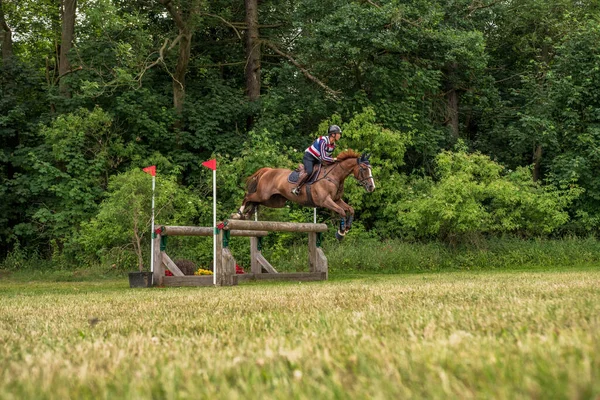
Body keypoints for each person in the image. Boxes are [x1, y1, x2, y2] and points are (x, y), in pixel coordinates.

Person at [291, 124, 342, 195]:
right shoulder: (323, 141)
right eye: (338, 134)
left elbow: (329, 157)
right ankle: (296, 187)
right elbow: (323, 157)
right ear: (333, 134)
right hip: (309, 157)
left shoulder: (333, 145)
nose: (339, 135)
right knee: (309, 171)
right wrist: (335, 159)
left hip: (317, 159)